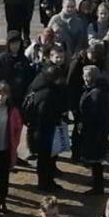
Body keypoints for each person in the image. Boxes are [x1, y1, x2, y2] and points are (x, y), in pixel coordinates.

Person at [23, 57, 67, 192]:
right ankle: (44, 183)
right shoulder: (47, 94)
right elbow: (44, 115)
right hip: (43, 131)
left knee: (46, 159)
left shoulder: (39, 86)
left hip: (39, 130)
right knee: (45, 160)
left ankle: (47, 181)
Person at [0, 81, 24, 213]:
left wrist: (14, 143)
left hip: (6, 148)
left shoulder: (13, 111)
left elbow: (18, 129)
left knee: (4, 176)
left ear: (8, 96)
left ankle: (2, 200)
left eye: (3, 94)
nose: (0, 97)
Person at [77, 65, 109, 195]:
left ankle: (98, 187)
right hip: (96, 132)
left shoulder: (96, 94)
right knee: (96, 160)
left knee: (96, 160)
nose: (84, 78)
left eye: (86, 76)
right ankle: (97, 182)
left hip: (94, 132)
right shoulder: (97, 91)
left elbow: (94, 116)